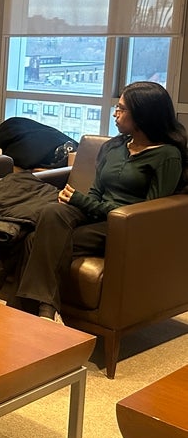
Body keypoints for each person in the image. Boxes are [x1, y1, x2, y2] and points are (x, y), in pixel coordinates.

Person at [15, 81, 188, 323]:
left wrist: (83, 202)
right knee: (53, 212)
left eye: (121, 108)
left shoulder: (167, 155)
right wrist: (76, 202)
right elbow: (96, 192)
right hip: (97, 215)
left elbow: (149, 213)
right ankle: (46, 311)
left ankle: (33, 310)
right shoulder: (114, 147)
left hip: (124, 227)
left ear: (142, 114)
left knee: (36, 239)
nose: (115, 113)